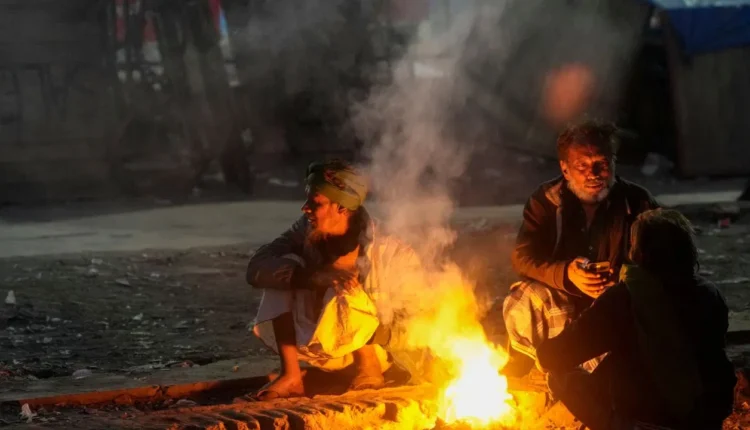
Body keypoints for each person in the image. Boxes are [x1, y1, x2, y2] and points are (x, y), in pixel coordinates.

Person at [537, 209, 737, 429]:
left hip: (648, 418)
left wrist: (543, 355)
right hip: (705, 416)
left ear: (639, 253)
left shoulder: (625, 298)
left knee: (559, 376)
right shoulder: (709, 293)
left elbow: (558, 354)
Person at [241, 159, 421, 401]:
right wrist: (312, 277)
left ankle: (368, 367)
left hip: (377, 348)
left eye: (315, 203)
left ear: (342, 208)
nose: (305, 208)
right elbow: (256, 268)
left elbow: (417, 323)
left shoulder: (391, 250)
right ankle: (291, 375)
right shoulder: (304, 230)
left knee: (344, 281)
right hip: (319, 344)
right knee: (285, 267)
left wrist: (373, 328)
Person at [501, 119, 659, 375]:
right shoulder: (547, 201)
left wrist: (621, 282)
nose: (593, 174)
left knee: (612, 365)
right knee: (525, 297)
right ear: (565, 169)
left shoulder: (638, 203)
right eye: (582, 166)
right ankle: (528, 366)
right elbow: (523, 257)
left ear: (613, 163)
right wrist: (566, 273)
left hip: (615, 309)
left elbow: (667, 264)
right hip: (562, 303)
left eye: (601, 164)